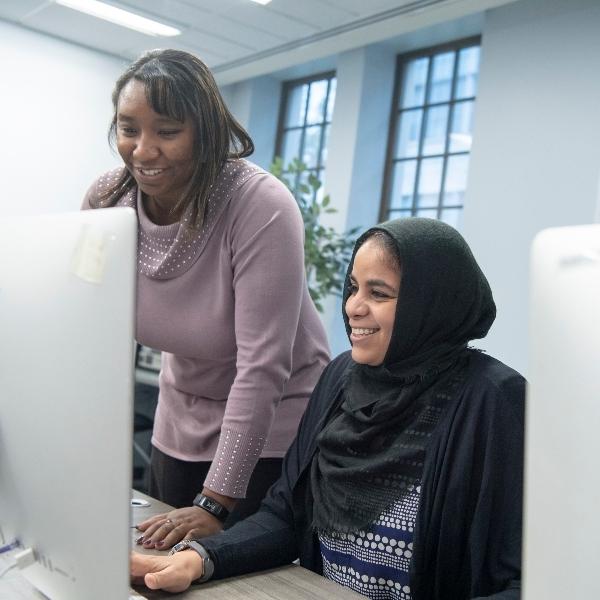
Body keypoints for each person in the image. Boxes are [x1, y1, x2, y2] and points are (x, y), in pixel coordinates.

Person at [130, 217, 525, 599]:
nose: (354, 307)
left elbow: (527, 582)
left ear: (430, 303)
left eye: (379, 293)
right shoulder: (341, 378)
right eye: (353, 288)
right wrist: (199, 561)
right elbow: (286, 516)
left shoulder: (493, 400)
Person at [82, 49, 330, 546]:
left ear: (205, 132)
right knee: (156, 557)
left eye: (167, 132)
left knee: (230, 572)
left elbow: (262, 365)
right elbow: (84, 329)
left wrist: (217, 500)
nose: (142, 151)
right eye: (129, 129)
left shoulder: (259, 206)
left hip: (275, 418)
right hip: (181, 409)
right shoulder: (108, 202)